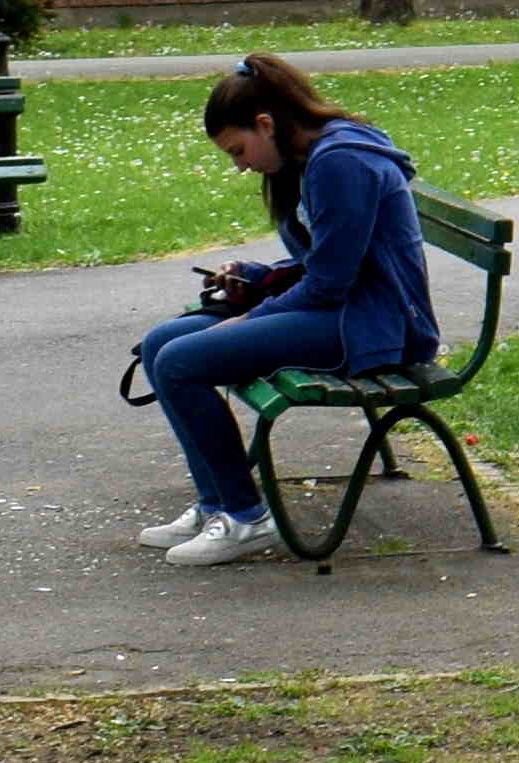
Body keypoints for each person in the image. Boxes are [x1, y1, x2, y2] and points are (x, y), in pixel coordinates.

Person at [131, 55, 435, 566]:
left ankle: (246, 519)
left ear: (266, 125)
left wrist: (249, 318)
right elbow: (323, 260)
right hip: (344, 311)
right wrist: (254, 276)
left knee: (181, 362)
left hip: (375, 325)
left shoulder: (341, 162)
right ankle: (216, 507)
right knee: (163, 343)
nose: (241, 165)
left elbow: (331, 285)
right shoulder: (310, 158)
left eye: (239, 149)